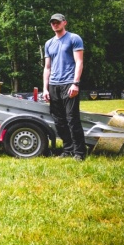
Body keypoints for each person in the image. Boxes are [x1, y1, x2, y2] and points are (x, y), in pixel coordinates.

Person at [43, 13, 85, 161]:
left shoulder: (74, 38)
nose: (55, 24)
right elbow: (47, 67)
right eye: (53, 22)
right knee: (59, 121)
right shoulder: (48, 43)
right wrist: (45, 88)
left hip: (69, 84)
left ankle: (79, 153)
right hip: (54, 85)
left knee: (72, 119)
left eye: (58, 22)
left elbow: (79, 62)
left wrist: (75, 83)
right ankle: (68, 150)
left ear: (64, 23)